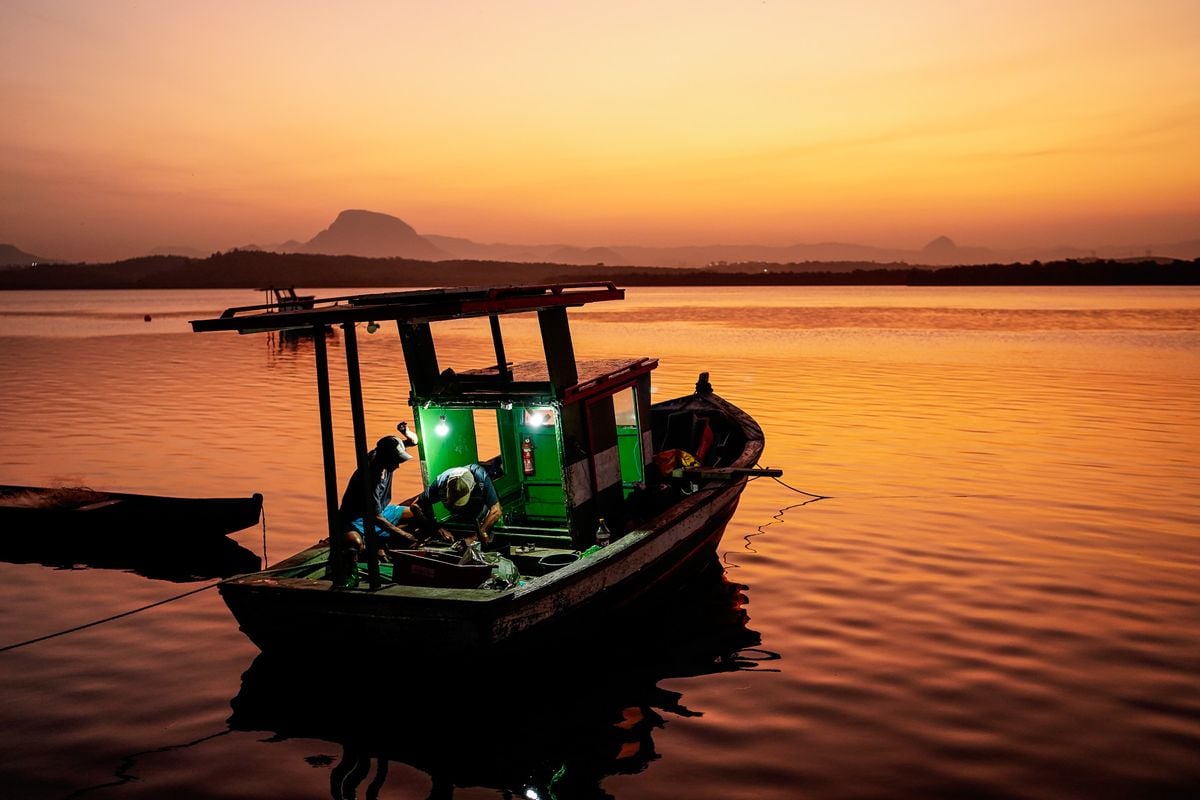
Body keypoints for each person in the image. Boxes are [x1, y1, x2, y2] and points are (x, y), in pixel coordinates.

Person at [331, 432, 421, 588]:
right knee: (354, 543)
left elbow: (413, 442)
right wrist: (404, 535)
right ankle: (351, 572)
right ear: (385, 458)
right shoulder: (371, 477)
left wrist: (406, 433)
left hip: (383, 510)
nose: (398, 465)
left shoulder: (379, 453)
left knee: (417, 514)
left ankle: (381, 544)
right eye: (396, 460)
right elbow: (375, 517)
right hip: (356, 519)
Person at [417, 463, 502, 548]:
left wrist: (477, 536)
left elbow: (496, 511)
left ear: (471, 488)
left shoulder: (479, 476)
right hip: (459, 521)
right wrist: (437, 529)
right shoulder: (440, 483)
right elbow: (415, 506)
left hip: (482, 520)